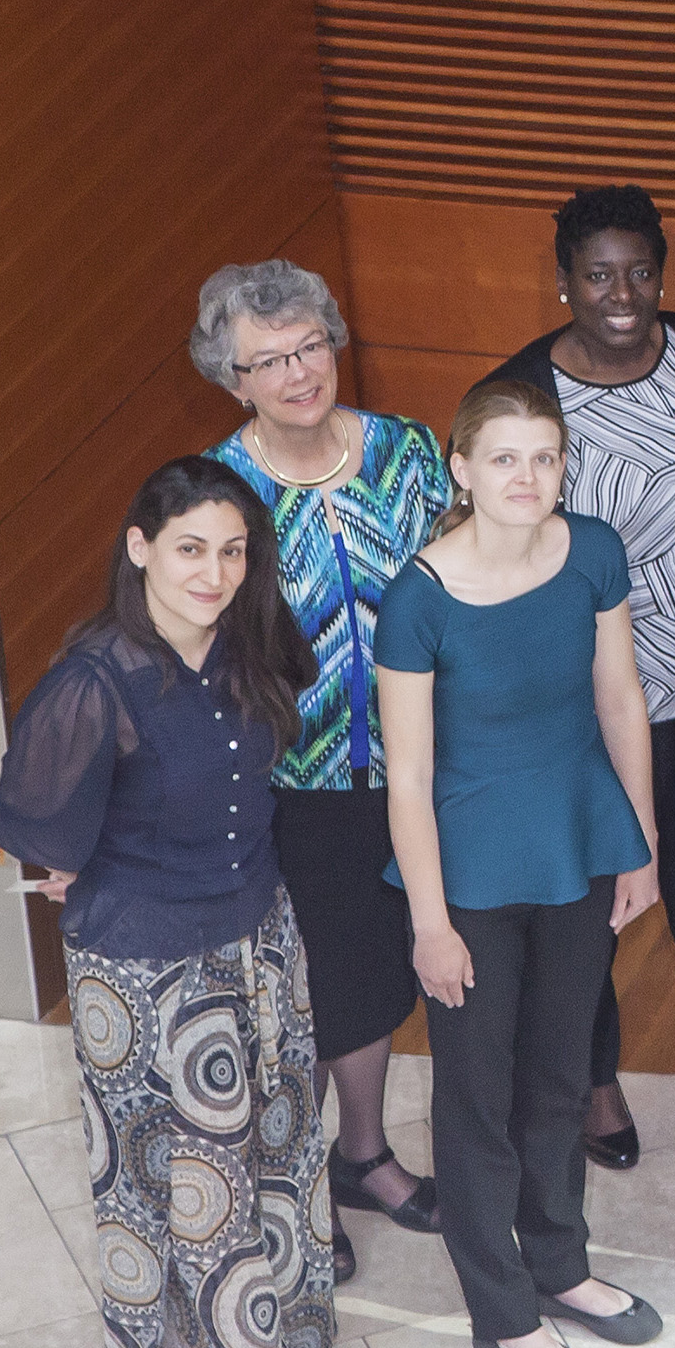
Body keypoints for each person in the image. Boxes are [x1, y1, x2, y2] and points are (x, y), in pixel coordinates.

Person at [0, 460, 374, 1348]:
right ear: (140, 548)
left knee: (280, 1158)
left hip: (259, 940)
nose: (213, 572)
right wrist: (81, 862)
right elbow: (38, 831)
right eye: (190, 548)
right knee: (204, 1194)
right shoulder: (94, 681)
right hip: (151, 968)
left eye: (233, 551)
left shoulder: (248, 645)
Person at [477, 183, 675, 1158]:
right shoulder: (522, 396)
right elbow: (502, 556)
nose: (621, 295)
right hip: (593, 699)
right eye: (598, 275)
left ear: (661, 274)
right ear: (564, 282)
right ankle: (593, 1076)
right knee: (588, 895)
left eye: (639, 272)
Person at [379, 378, 666, 1348]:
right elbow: (408, 777)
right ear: (461, 468)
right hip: (467, 875)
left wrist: (641, 842)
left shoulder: (592, 551)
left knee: (558, 1074)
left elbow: (620, 699)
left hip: (576, 845)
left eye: (545, 457)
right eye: (504, 458)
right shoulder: (418, 599)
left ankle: (559, 1263)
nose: (527, 477)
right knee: (477, 1097)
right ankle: (501, 1313)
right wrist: (429, 924)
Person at [198, 262, 451, 1283]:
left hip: (420, 761)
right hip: (286, 782)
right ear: (234, 381)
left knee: (382, 965)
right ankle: (300, 1183)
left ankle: (364, 1154)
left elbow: (457, 581)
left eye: (310, 346)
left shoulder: (407, 452)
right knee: (303, 986)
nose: (299, 373)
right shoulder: (219, 490)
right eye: (269, 360)